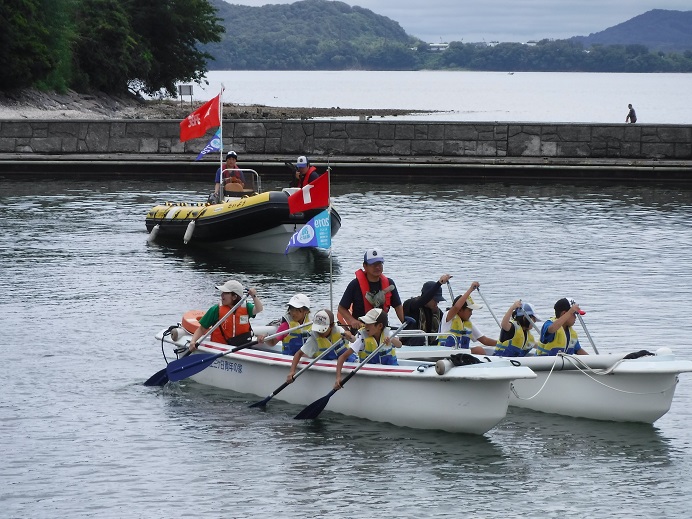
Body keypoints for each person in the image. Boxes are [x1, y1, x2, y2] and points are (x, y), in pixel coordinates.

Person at [338, 248, 405, 332]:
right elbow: (341, 308)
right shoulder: (355, 285)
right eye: (373, 264)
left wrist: (404, 323)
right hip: (361, 329)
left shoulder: (389, 283)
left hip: (382, 330)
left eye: (379, 264)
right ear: (365, 266)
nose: (377, 267)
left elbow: (398, 306)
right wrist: (352, 321)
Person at [334, 308, 403, 388]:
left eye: (369, 323)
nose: (365, 326)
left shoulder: (388, 333)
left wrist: (391, 339)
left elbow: (399, 345)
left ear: (380, 326)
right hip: (369, 373)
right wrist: (338, 378)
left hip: (391, 371)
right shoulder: (362, 338)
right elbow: (342, 357)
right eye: (365, 323)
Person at [189, 279, 263, 350]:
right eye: (222, 292)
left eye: (225, 293)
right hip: (219, 347)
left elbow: (259, 309)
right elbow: (202, 329)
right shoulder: (215, 309)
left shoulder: (246, 307)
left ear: (234, 297)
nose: (222, 295)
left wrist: (254, 296)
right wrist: (193, 341)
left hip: (242, 345)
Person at [285, 309, 355, 383]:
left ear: (331, 325)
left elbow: (353, 340)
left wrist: (349, 336)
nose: (319, 332)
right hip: (327, 364)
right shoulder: (314, 339)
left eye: (322, 330)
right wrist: (292, 371)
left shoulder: (339, 331)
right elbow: (298, 354)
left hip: (346, 361)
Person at [439, 281, 495, 355]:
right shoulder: (448, 317)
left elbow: (484, 340)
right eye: (469, 310)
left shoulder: (468, 324)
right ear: (460, 310)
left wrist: (502, 344)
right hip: (446, 353)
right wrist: (471, 289)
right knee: (478, 350)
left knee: (479, 350)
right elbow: (456, 307)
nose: (471, 313)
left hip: (461, 354)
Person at [402, 274, 452, 345]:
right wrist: (439, 283)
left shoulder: (437, 312)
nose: (437, 302)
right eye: (435, 299)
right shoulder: (411, 305)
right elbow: (423, 300)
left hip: (428, 345)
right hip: (410, 343)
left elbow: (446, 323)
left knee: (446, 340)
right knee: (420, 338)